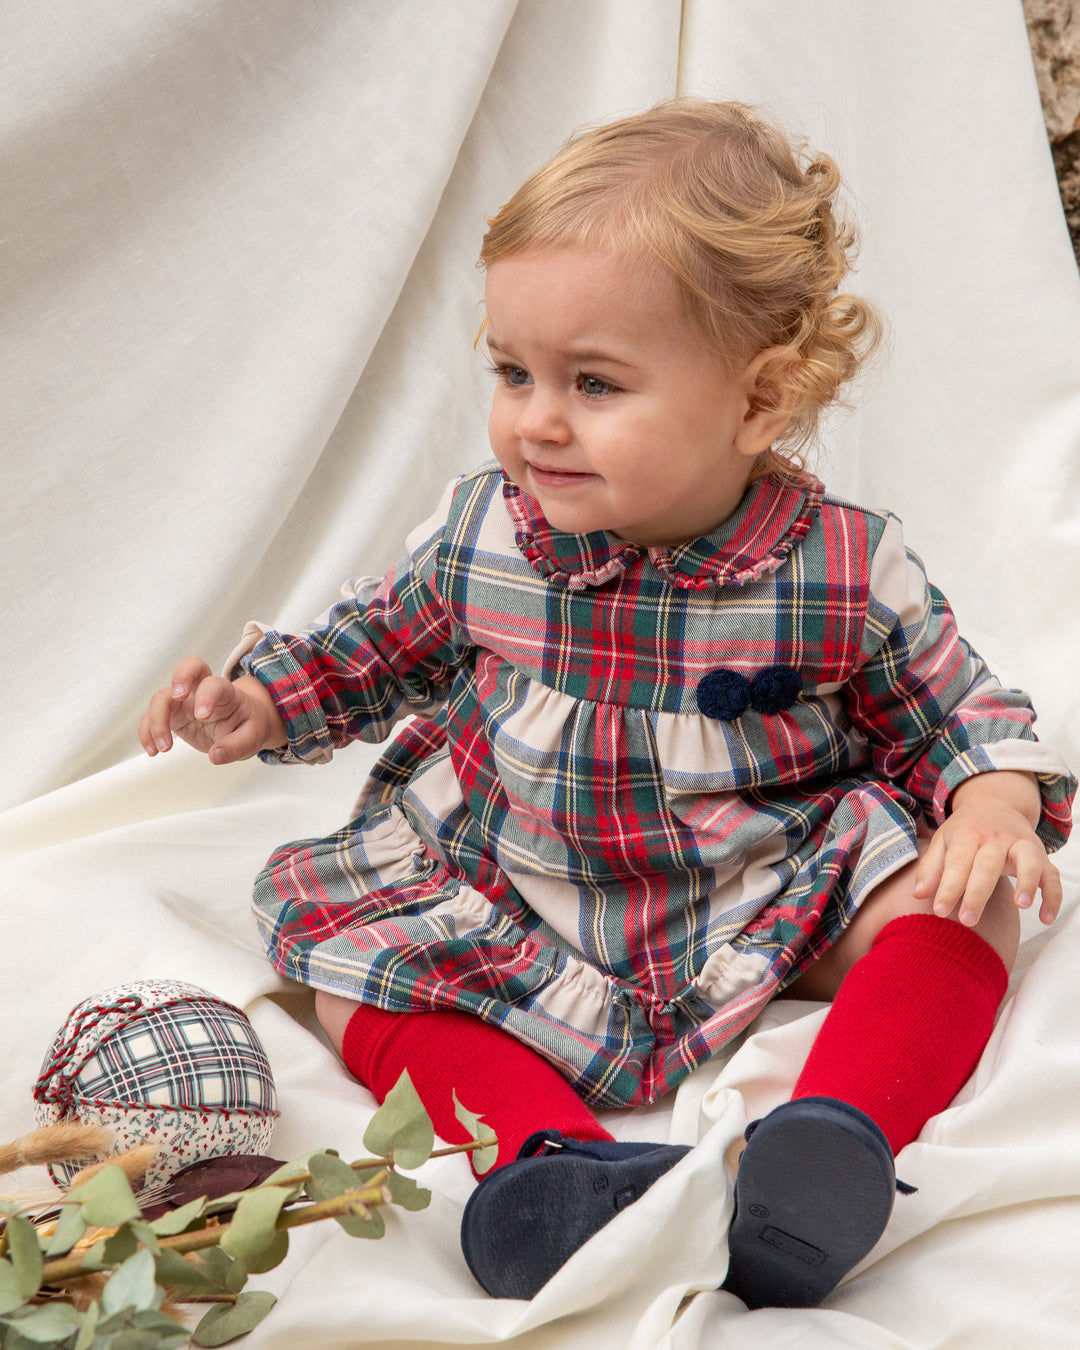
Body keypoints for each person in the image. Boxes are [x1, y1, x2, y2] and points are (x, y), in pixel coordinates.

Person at [139, 100, 1075, 1309]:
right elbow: (372, 645)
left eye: (593, 382)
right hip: (509, 879)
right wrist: (261, 699)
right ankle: (550, 1170)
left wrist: (992, 797)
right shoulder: (485, 535)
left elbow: (956, 702)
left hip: (759, 881)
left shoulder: (835, 566)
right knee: (347, 966)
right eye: (514, 371)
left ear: (758, 400)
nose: (537, 419)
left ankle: (835, 1139)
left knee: (964, 890)